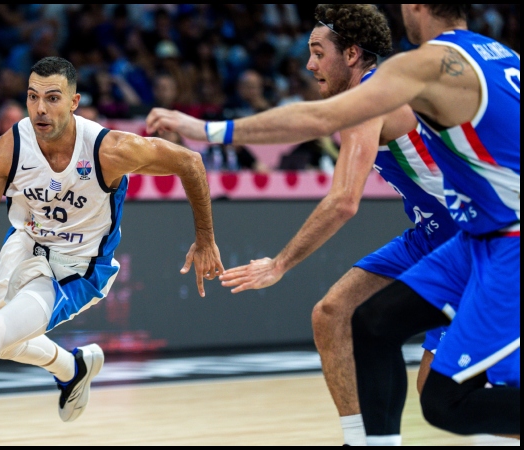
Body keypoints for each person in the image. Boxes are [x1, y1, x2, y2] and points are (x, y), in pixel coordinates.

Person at [146, 3, 520, 443]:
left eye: (318, 52)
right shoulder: (496, 53)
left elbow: (342, 195)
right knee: (338, 314)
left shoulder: (407, 75)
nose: (310, 64)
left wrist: (208, 130)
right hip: (447, 234)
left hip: (483, 235)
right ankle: (360, 439)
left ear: (353, 53)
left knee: (446, 398)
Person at [0, 57, 223, 446]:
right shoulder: (9, 149)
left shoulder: (110, 149)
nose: (41, 108)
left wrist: (206, 238)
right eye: (32, 97)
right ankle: (72, 367)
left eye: (53, 98)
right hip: (25, 247)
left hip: (78, 268)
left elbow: (190, 163)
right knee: (0, 343)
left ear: (74, 102)